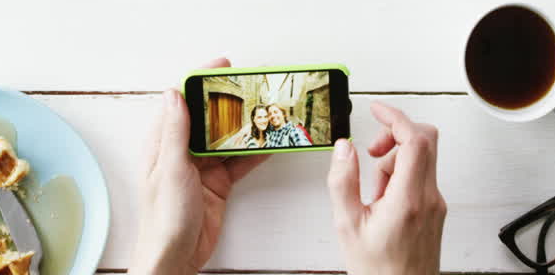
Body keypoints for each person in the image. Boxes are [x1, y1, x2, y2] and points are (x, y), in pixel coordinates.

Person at [129, 57, 446, 275]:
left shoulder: (293, 130)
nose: (271, 118)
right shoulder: (250, 137)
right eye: (265, 117)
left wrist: (163, 261)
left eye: (274, 115)